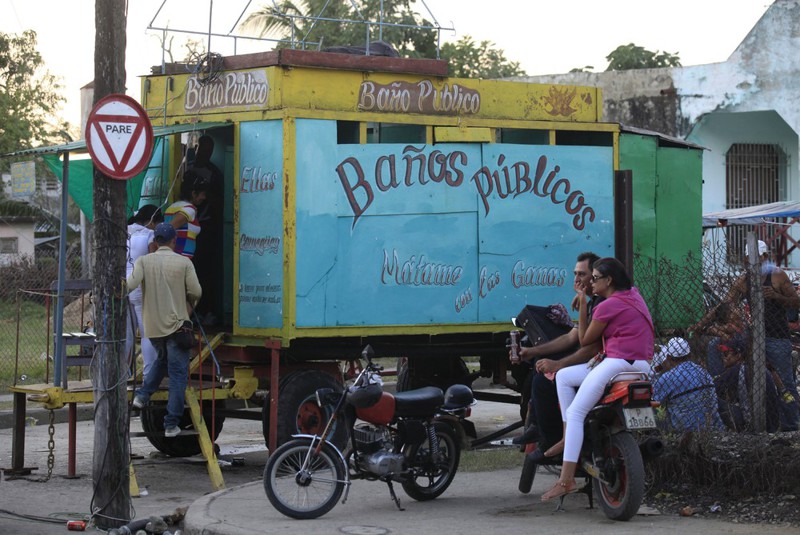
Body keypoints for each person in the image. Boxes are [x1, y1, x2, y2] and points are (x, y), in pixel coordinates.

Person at [540, 257, 654, 502]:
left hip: (619, 363)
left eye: (594, 278)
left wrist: (582, 305)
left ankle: (566, 479)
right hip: (641, 365)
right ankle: (567, 436)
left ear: (608, 280)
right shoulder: (633, 295)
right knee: (563, 376)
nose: (590, 283)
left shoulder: (607, 305)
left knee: (576, 412)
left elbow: (584, 339)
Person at [698, 240, 799, 430]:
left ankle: (792, 424)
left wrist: (777, 296)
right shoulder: (745, 280)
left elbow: (796, 302)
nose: (752, 265)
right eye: (748, 262)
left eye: (756, 261)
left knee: (785, 382)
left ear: (765, 258)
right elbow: (724, 304)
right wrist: (700, 324)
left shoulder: (777, 276)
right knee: (714, 346)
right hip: (754, 337)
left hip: (777, 337)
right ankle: (717, 383)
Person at [512, 252, 603, 457]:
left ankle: (553, 441)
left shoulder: (601, 304)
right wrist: (531, 352)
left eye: (582, 274)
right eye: (575, 274)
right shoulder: (593, 303)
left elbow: (589, 346)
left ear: (596, 276)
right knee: (539, 365)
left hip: (605, 363)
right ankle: (537, 425)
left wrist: (557, 365)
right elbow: (573, 337)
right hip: (605, 361)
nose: (576, 280)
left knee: (546, 381)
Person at [129, 222, 202, 437]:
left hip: (153, 328)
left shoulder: (143, 261)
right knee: (178, 376)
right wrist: (188, 304)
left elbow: (130, 285)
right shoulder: (184, 262)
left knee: (162, 360)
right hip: (177, 326)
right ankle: (171, 424)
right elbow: (197, 291)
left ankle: (142, 396)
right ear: (174, 241)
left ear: (155, 242)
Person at [186, 135, 224, 325]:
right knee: (190, 270)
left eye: (209, 150)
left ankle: (207, 310)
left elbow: (220, 201)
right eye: (202, 148)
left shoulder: (214, 173)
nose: (205, 152)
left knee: (207, 271)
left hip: (207, 228)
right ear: (196, 147)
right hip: (187, 226)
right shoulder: (187, 167)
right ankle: (190, 312)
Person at [651, 337, 724, 431]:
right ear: (690, 355)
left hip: (686, 430)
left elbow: (653, 400)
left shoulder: (668, 377)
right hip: (715, 427)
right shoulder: (703, 371)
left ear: (668, 357)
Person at [125, 204, 163, 377]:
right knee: (147, 332)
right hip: (140, 287)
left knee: (126, 333)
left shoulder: (123, 231)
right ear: (151, 221)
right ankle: (149, 375)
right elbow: (154, 260)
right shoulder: (149, 235)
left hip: (123, 286)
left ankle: (123, 376)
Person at [715, 335, 780, 433]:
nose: (724, 358)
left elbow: (714, 389)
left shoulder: (737, 370)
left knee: (714, 400)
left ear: (738, 355)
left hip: (752, 423)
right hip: (772, 424)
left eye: (726, 354)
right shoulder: (757, 366)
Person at [164, 172, 209, 259]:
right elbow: (168, 228)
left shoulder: (172, 207)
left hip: (171, 256)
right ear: (193, 193)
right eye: (202, 194)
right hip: (181, 257)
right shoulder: (190, 209)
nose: (204, 198)